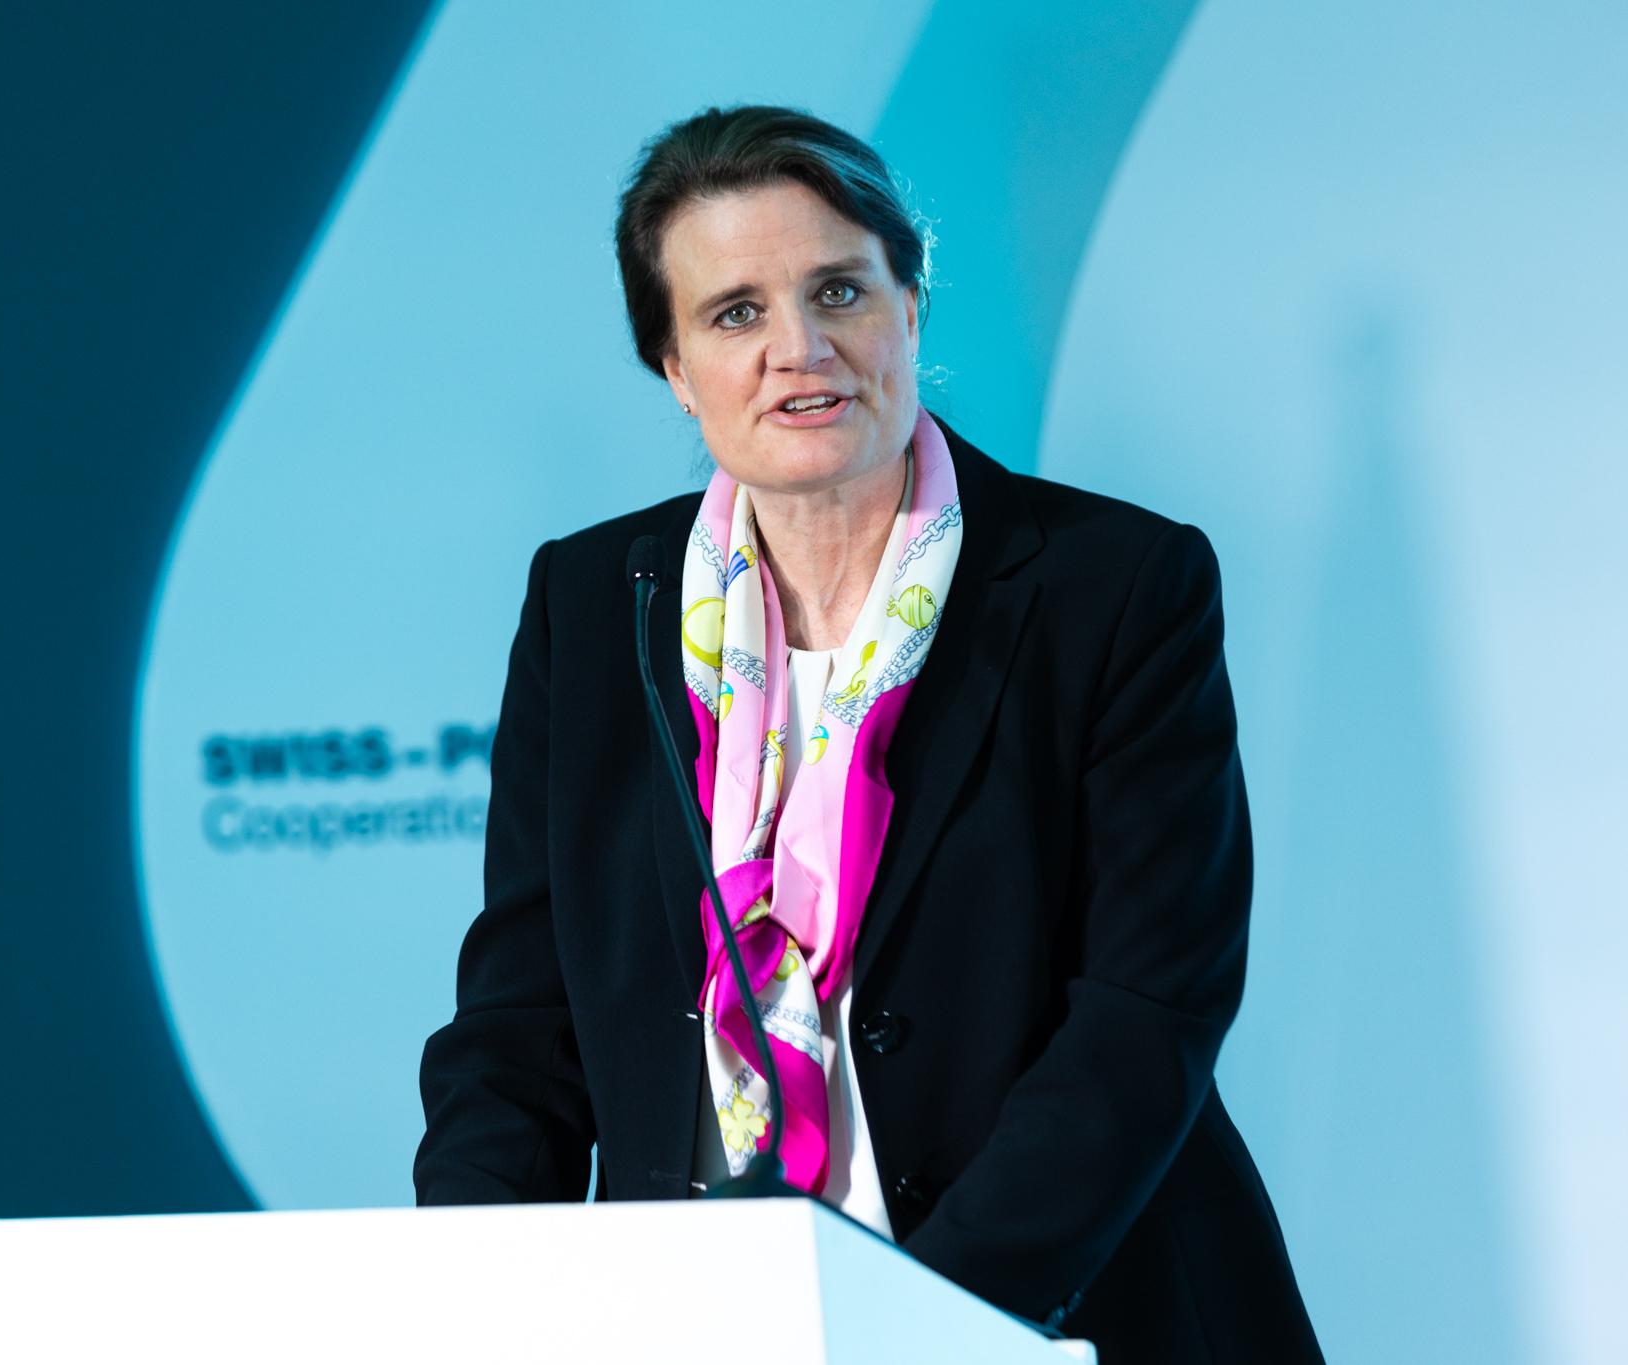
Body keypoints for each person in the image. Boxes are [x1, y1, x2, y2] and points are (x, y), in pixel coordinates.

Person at [415, 105, 1323, 1363]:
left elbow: (1146, 1007)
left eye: (837, 290)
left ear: (910, 305)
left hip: (1050, 1312)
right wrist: (466, 1303)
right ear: (673, 367)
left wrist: (926, 1326)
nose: (799, 349)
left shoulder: (1112, 584)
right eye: (734, 313)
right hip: (705, 1322)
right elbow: (522, 1025)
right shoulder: (591, 604)